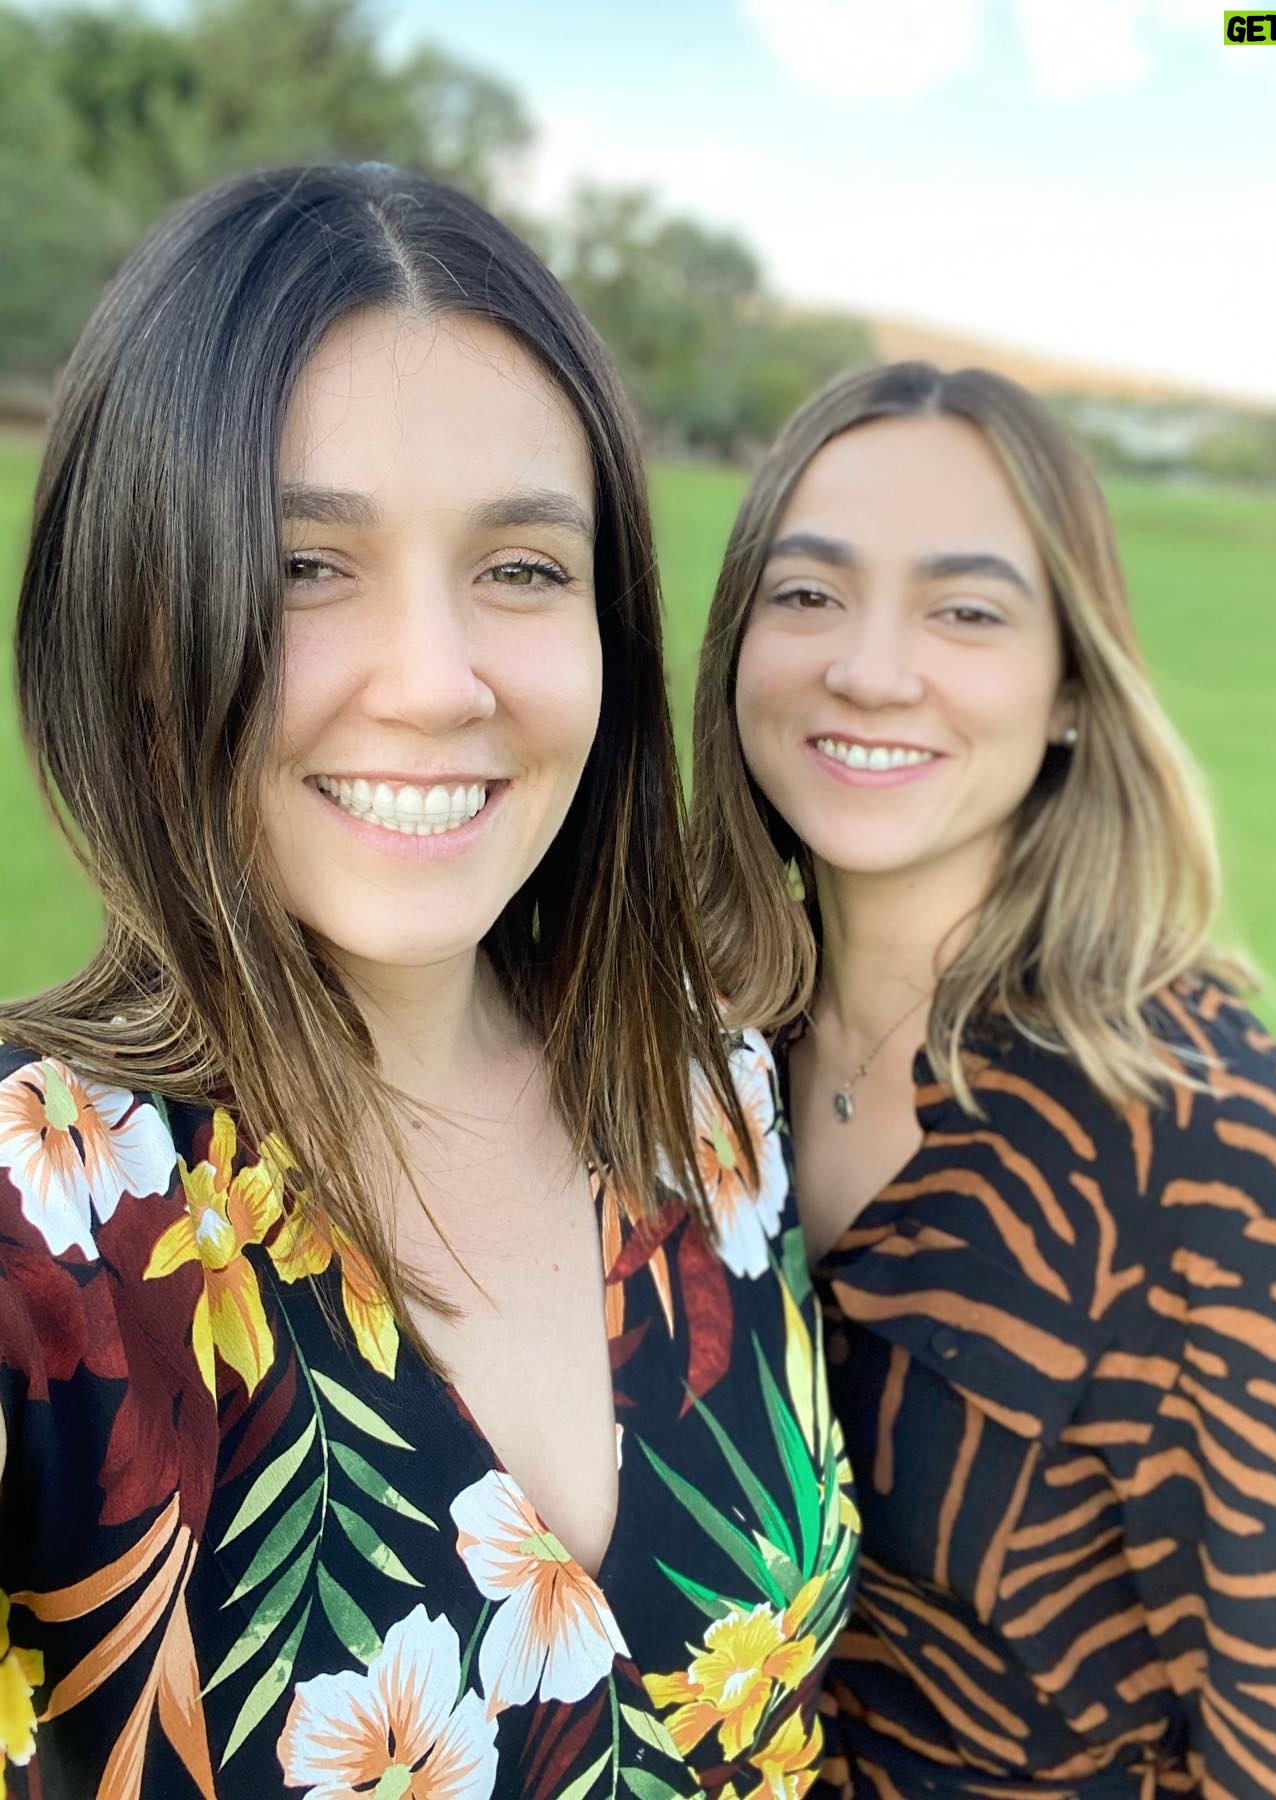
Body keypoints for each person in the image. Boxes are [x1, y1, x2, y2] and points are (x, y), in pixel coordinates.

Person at [0, 164, 858, 1797]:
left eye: (521, 568)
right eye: (303, 565)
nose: (437, 684)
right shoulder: (43, 1221)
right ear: (131, 621)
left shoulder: (717, 1106)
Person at [689, 362, 1276, 1797]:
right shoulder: (694, 1054)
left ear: (1072, 688)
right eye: (810, 592)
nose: (870, 668)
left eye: (965, 611)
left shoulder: (1203, 1154)